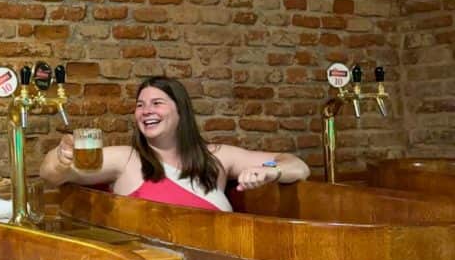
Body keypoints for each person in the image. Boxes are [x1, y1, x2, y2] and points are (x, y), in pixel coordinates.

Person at [40, 76, 310, 211]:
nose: (147, 111)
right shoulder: (127, 159)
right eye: (140, 105)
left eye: (157, 103)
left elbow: (297, 165)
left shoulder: (218, 156)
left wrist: (271, 170)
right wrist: (60, 157)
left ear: (181, 112)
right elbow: (51, 175)